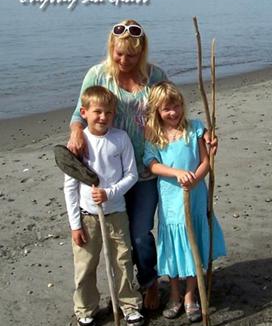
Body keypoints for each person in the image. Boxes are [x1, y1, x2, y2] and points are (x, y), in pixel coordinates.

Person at [67, 19, 218, 310]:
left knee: (140, 233)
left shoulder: (156, 75)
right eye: (119, 54)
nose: (124, 60)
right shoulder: (98, 74)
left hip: (148, 171)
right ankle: (123, 291)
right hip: (110, 174)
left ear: (142, 51)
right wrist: (75, 132)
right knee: (117, 237)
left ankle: (148, 282)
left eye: (132, 55)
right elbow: (79, 113)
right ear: (111, 49)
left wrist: (203, 133)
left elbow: (172, 108)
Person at [143, 81, 226, 322]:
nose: (173, 112)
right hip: (171, 200)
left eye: (177, 106)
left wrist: (196, 178)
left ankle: (191, 295)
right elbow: (152, 164)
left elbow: (205, 161)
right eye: (167, 109)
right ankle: (175, 294)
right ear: (157, 111)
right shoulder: (155, 135)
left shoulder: (195, 129)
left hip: (196, 197)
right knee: (174, 246)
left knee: (192, 244)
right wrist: (176, 173)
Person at [64, 85, 144, 326]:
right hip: (88, 217)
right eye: (97, 112)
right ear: (84, 113)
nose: (103, 117)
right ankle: (85, 308)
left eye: (108, 112)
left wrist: (109, 193)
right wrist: (75, 225)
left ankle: (128, 305)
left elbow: (131, 175)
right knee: (86, 264)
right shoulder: (79, 143)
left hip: (116, 213)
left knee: (122, 261)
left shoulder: (120, 138)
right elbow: (70, 186)